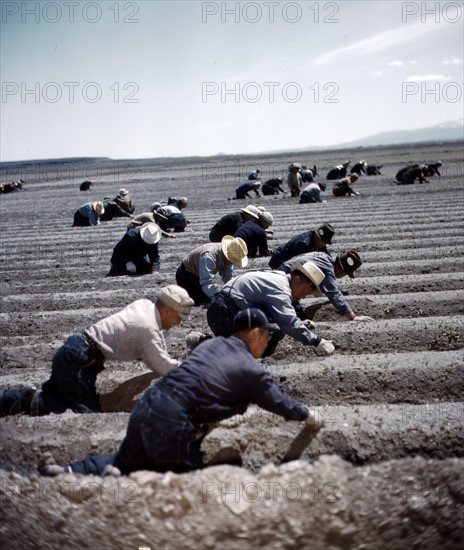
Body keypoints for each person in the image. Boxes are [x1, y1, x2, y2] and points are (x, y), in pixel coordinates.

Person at [39, 309, 324, 477]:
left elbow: (203, 383)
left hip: (149, 405)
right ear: (254, 334)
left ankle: (67, 473)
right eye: (266, 334)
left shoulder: (211, 346)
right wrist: (309, 415)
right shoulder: (252, 369)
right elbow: (278, 402)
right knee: (185, 479)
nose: (268, 340)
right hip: (171, 419)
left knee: (123, 462)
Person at [0, 286, 194, 417]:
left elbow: (156, 340)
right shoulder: (148, 329)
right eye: (178, 318)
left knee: (59, 398)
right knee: (87, 413)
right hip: (80, 360)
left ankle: (18, 399)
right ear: (167, 311)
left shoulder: (144, 305)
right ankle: (28, 401)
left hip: (74, 351)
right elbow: (161, 364)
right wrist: (190, 369)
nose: (178, 323)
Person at [206, 262, 335, 357]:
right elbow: (288, 323)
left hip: (226, 310)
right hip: (223, 313)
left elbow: (277, 316)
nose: (303, 297)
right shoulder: (281, 288)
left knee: (271, 331)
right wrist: (317, 341)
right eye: (305, 291)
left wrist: (299, 324)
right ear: (297, 279)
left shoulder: (280, 277)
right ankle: (203, 344)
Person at [277, 251, 374, 321]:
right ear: (341, 270)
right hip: (286, 279)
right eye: (345, 274)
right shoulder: (327, 270)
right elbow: (334, 294)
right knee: (297, 317)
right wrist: (353, 316)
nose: (340, 277)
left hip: (284, 273)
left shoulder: (325, 257)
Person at [175, 236, 248, 305]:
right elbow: (206, 281)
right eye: (233, 261)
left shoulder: (229, 252)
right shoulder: (209, 256)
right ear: (228, 257)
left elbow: (228, 277)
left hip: (199, 275)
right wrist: (218, 297)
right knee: (203, 300)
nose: (233, 263)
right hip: (186, 276)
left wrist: (236, 292)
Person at [268, 223, 335, 269]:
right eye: (323, 242)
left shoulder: (319, 242)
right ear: (317, 236)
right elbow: (299, 264)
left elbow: (326, 255)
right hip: (279, 263)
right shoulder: (303, 244)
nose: (324, 245)